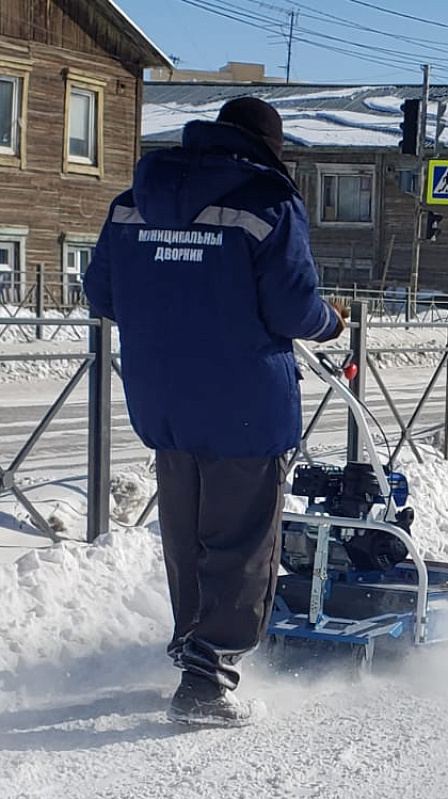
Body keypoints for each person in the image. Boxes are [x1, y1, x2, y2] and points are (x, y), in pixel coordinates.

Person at [84, 97, 346, 726]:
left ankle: (191, 643)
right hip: (244, 402)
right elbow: (291, 308)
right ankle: (206, 677)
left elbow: (100, 291)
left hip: (163, 396)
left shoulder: (132, 200)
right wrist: (330, 322)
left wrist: (170, 307)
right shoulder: (266, 203)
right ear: (264, 147)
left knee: (186, 530)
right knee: (242, 538)